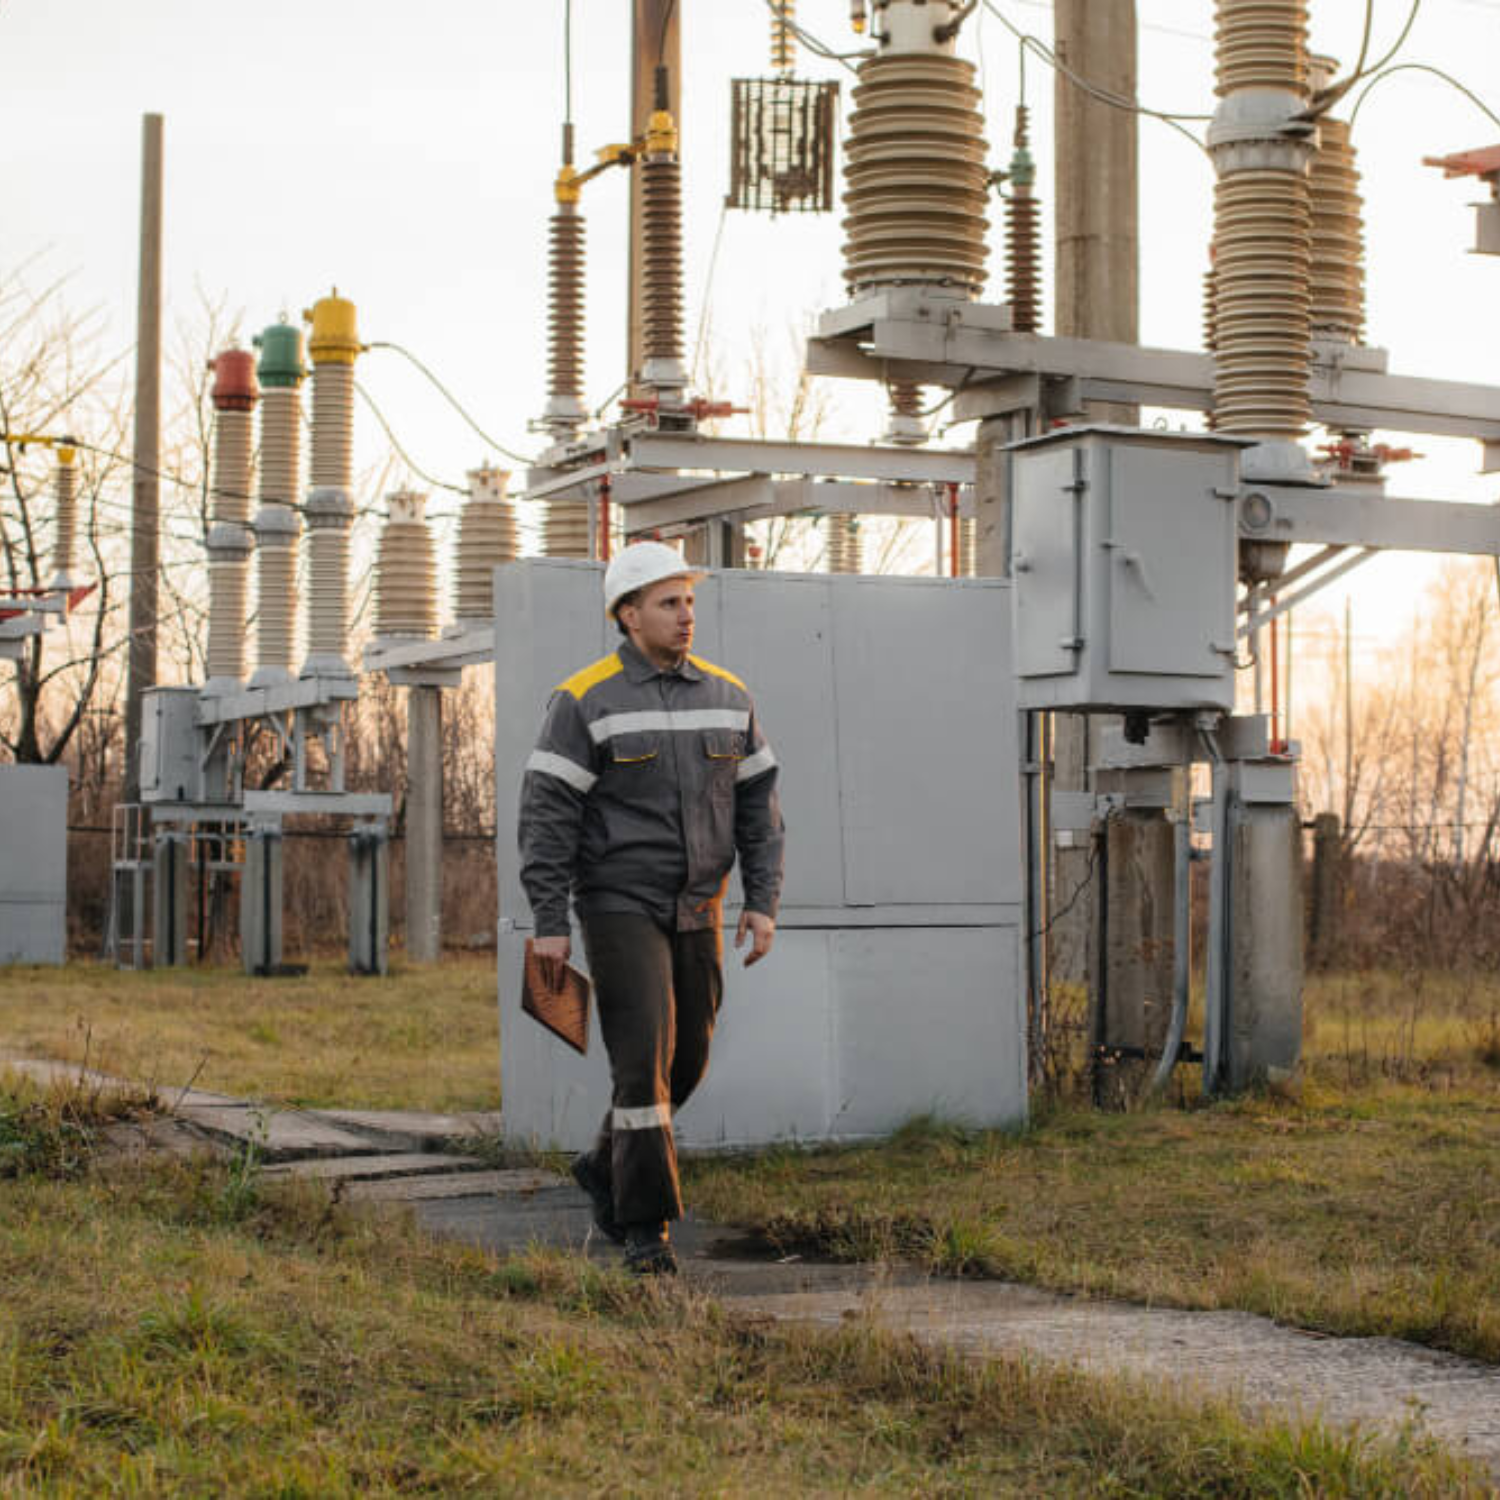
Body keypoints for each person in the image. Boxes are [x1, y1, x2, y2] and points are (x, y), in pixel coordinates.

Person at [518, 541, 786, 1274]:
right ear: (628, 614)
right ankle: (645, 1231)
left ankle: (604, 1163)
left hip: (699, 905)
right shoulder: (584, 700)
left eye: (690, 601)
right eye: (669, 603)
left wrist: (761, 902)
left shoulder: (729, 697)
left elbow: (760, 811)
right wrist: (549, 922)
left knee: (687, 1060)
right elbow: (547, 819)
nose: (686, 615)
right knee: (642, 1066)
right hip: (618, 903)